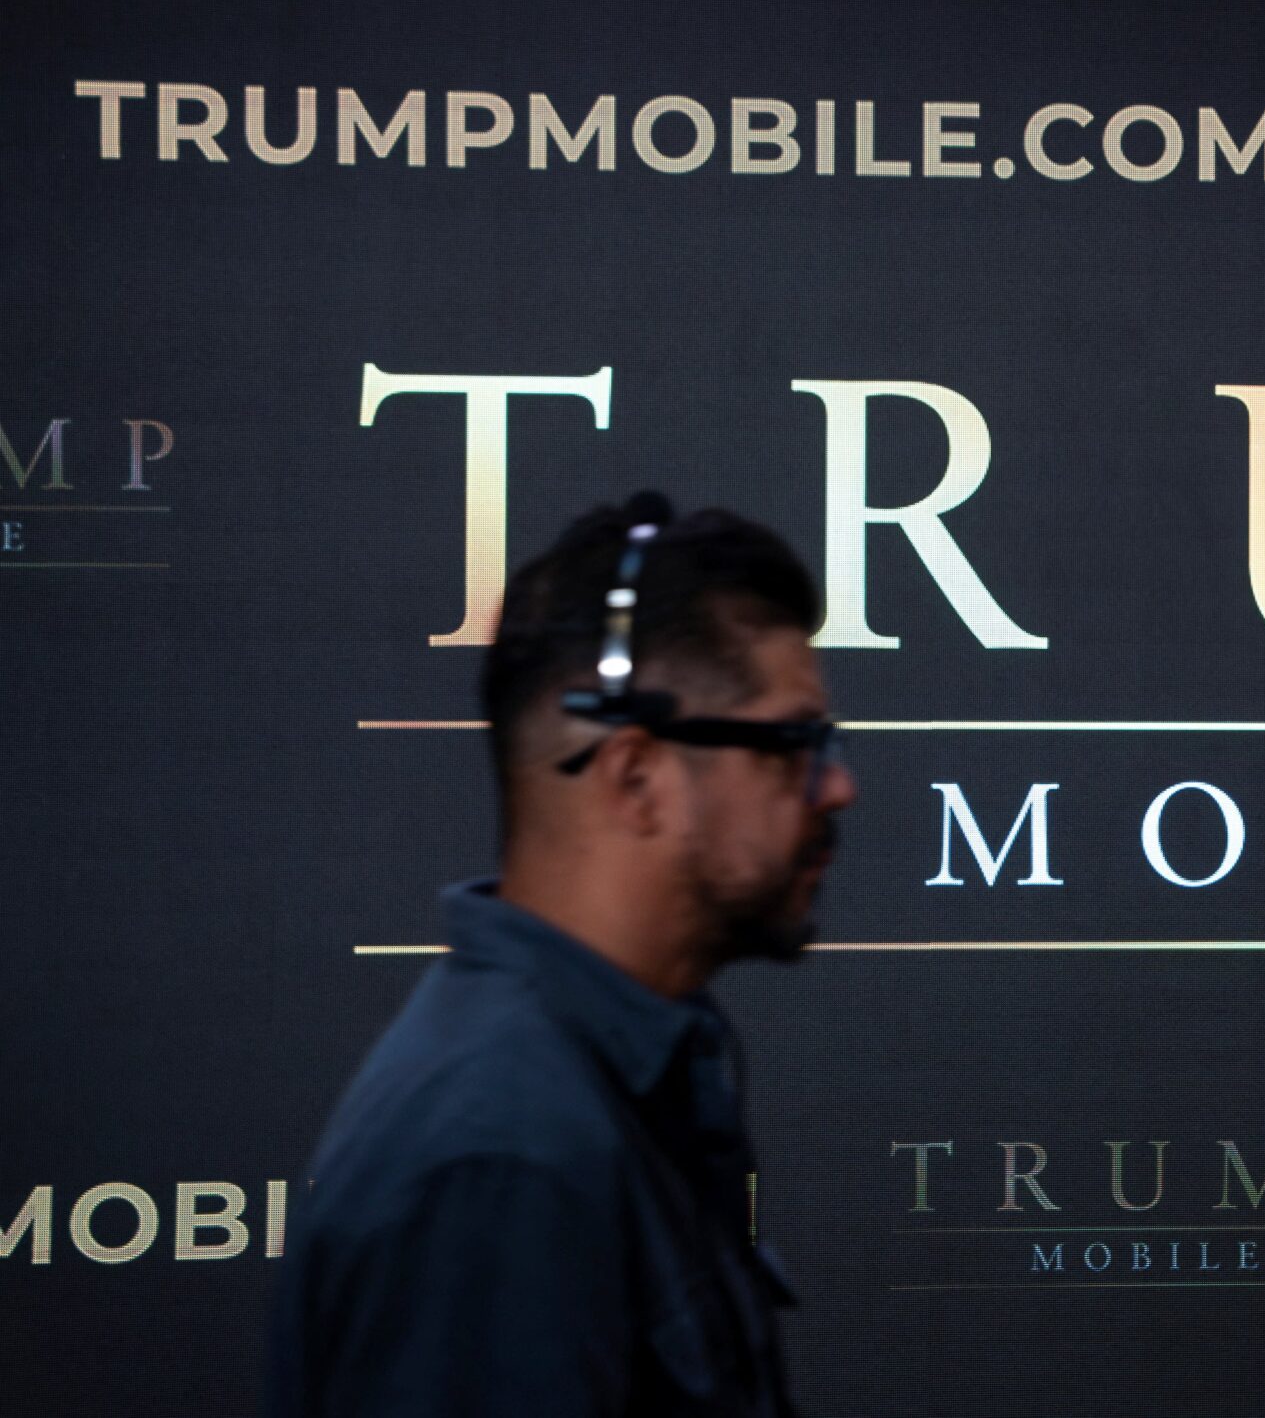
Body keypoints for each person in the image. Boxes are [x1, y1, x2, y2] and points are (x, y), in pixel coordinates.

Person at [268, 493, 856, 1417]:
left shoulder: (607, 1078)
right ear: (637, 778)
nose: (838, 786)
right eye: (794, 744)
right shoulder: (498, 1162)